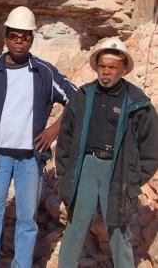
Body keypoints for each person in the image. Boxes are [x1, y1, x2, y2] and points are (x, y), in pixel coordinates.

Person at [0, 6, 77, 268]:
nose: (20, 41)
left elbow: (76, 98)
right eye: (14, 36)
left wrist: (53, 130)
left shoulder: (44, 71)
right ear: (6, 37)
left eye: (25, 36)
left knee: (27, 221)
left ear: (32, 39)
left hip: (30, 158)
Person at [56, 37, 158, 267]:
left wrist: (135, 177)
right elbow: (66, 136)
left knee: (117, 229)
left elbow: (151, 145)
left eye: (112, 67)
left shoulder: (137, 102)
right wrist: (64, 171)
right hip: (87, 167)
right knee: (76, 225)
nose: (106, 72)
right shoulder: (83, 96)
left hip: (119, 169)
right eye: (102, 66)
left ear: (123, 69)